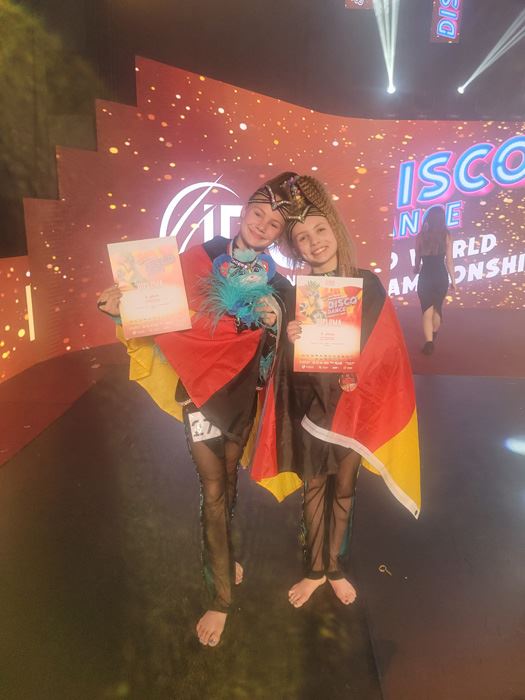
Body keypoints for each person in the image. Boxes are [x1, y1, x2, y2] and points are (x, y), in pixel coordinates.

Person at [97, 172, 295, 646]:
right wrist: (122, 308)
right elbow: (162, 309)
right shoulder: (199, 257)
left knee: (229, 479)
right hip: (201, 394)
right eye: (258, 213)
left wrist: (279, 320)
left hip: (245, 398)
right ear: (244, 211)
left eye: (274, 223)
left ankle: (224, 554)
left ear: (280, 235)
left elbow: (288, 345)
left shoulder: (279, 283)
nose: (263, 225)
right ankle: (219, 598)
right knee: (213, 489)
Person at [250, 174, 421, 608]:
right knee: (314, 489)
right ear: (296, 248)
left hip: (353, 409)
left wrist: (360, 374)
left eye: (320, 230)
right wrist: (289, 335)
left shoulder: (369, 284)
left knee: (344, 490)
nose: (315, 242)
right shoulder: (297, 295)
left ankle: (335, 568)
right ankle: (314, 570)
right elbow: (285, 368)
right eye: (303, 238)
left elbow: (388, 352)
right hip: (312, 409)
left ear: (336, 230)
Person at [413, 205, 457, 355]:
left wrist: (416, 268)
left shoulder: (421, 236)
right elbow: (449, 261)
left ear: (428, 219)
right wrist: (454, 281)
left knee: (427, 311)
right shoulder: (446, 235)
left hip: (425, 277)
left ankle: (429, 343)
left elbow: (417, 259)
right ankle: (434, 332)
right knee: (437, 308)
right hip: (441, 277)